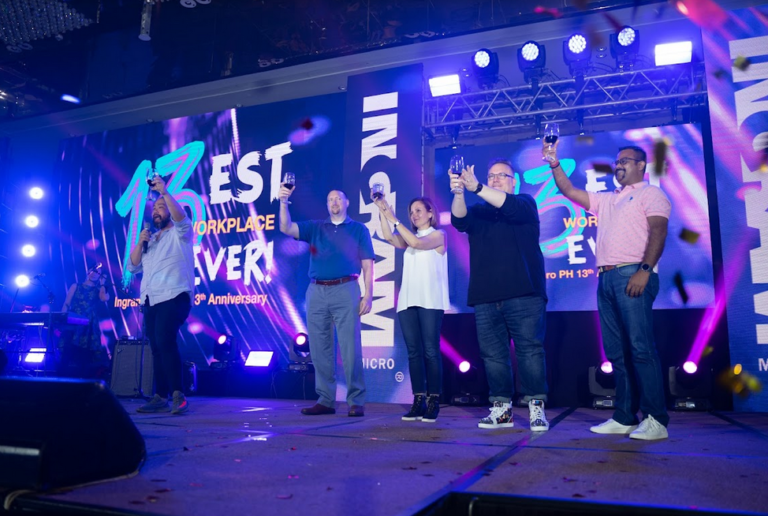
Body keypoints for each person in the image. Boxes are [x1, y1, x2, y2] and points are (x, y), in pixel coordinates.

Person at [547, 142, 671, 440]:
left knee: (640, 349)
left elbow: (659, 231)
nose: (618, 165)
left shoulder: (650, 193)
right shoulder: (607, 199)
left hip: (634, 273)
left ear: (641, 165)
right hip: (606, 278)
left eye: (625, 161)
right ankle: (625, 416)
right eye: (616, 161)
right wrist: (554, 163)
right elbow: (568, 192)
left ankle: (656, 419)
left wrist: (644, 270)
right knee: (617, 352)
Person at [451, 159, 550, 432]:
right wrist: (460, 192)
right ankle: (501, 410)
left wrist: (478, 186)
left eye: (501, 176)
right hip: (485, 295)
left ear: (514, 180)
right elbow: (459, 220)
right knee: (493, 356)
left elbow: (507, 205)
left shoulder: (525, 203)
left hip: (524, 293)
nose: (495, 180)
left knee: (530, 352)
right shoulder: (481, 211)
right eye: (491, 176)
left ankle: (536, 409)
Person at [279, 186, 374, 417]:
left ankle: (355, 400)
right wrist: (283, 202)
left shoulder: (358, 229)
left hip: (346, 288)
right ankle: (325, 400)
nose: (334, 202)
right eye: (330, 199)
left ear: (347, 202)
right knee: (319, 348)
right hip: (317, 290)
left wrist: (369, 294)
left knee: (350, 347)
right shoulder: (316, 227)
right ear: (327, 204)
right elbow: (285, 227)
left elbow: (368, 263)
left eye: (338, 199)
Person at [373, 192, 449, 423]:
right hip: (407, 301)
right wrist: (381, 209)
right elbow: (388, 236)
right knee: (414, 353)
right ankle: (418, 401)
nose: (414, 215)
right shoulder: (408, 238)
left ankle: (434, 400)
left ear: (430, 213)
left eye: (418, 211)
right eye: (411, 212)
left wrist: (395, 218)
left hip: (430, 301)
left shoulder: (438, 235)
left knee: (430, 351)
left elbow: (417, 242)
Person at [126, 175, 195, 415]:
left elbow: (181, 218)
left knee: (165, 341)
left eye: (161, 207)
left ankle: (178, 394)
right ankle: (160, 395)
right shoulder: (151, 239)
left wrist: (164, 192)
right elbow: (133, 266)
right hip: (150, 298)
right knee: (155, 346)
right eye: (154, 208)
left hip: (174, 295)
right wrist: (140, 241)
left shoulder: (181, 233)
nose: (156, 210)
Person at [59, 263, 111, 378]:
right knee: (68, 350)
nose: (94, 274)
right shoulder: (76, 286)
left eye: (98, 273)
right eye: (93, 270)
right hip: (74, 319)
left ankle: (83, 381)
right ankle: (62, 379)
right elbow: (67, 303)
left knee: (86, 354)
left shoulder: (99, 290)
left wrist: (103, 284)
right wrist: (62, 318)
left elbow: (104, 298)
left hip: (89, 323)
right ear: (88, 271)